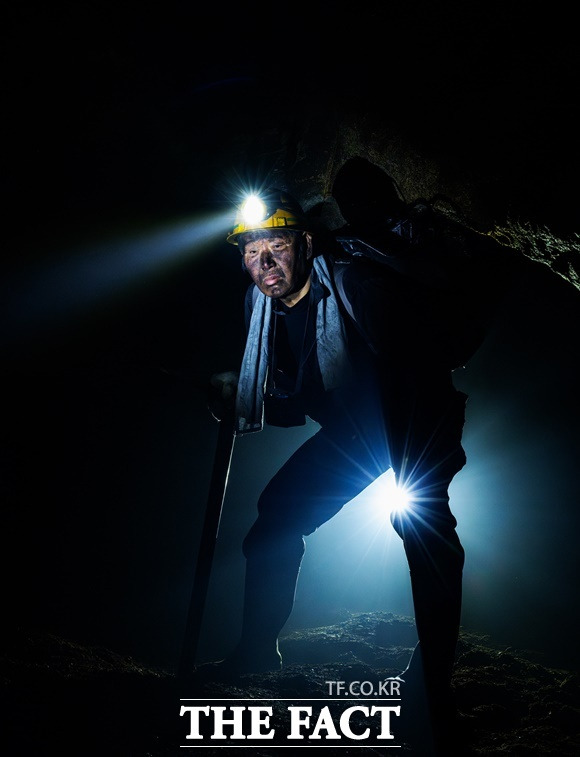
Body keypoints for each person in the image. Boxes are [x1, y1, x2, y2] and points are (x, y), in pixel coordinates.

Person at [205, 182, 472, 753]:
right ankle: (257, 649)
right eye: (250, 251)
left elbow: (421, 368)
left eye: (274, 245)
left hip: (415, 417)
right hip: (355, 431)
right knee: (275, 516)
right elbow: (295, 402)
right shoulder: (264, 310)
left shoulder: (355, 285)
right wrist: (238, 394)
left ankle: (434, 683)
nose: (263, 262)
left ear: (303, 243)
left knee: (425, 532)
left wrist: (414, 470)